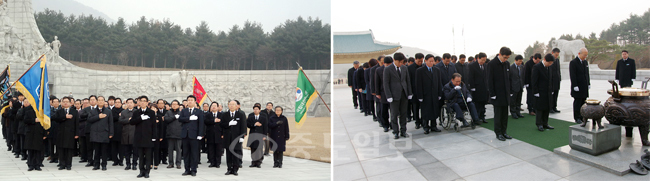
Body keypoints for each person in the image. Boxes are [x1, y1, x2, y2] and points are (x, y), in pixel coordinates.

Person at [383, 53, 413, 139]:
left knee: (403, 114)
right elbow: (386, 83)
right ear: (394, 60)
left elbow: (407, 81)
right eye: (399, 62)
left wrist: (409, 93)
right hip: (394, 95)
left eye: (402, 62)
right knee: (394, 114)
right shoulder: (388, 69)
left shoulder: (404, 68)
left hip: (404, 94)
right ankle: (396, 131)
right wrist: (388, 95)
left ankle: (403, 131)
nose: (400, 64)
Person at [487, 47, 512, 141]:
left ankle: (504, 132)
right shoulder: (492, 64)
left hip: (505, 94)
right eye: (505, 57)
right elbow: (489, 80)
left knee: (505, 114)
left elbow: (509, 79)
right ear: (500, 54)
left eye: (507, 58)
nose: (506, 59)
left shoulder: (507, 64)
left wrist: (510, 91)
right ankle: (498, 133)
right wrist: (492, 94)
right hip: (497, 94)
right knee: (498, 115)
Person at [216, 100, 247, 176]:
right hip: (227, 138)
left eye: (233, 104)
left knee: (236, 154)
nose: (232, 106)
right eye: (230, 104)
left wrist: (242, 136)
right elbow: (221, 124)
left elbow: (243, 126)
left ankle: (235, 169)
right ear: (228, 105)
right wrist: (228, 124)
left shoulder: (240, 114)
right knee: (229, 154)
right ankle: (229, 169)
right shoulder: (225, 115)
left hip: (237, 138)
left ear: (236, 106)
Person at [415, 54, 443, 134]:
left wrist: (439, 93)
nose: (432, 62)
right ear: (426, 61)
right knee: (426, 111)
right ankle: (425, 126)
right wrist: (420, 96)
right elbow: (418, 84)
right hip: (425, 94)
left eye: (433, 61)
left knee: (434, 110)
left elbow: (439, 82)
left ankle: (434, 126)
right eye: (430, 61)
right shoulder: (420, 71)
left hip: (434, 94)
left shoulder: (436, 70)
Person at [130, 96, 157, 178]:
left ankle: (147, 171)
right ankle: (141, 171)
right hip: (139, 137)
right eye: (141, 101)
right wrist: (140, 118)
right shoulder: (136, 112)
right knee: (141, 156)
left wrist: (154, 136)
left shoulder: (151, 112)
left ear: (147, 102)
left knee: (148, 156)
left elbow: (154, 126)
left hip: (148, 137)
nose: (142, 102)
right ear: (139, 102)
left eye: (144, 101)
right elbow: (132, 122)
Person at [179, 95, 204, 177]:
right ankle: (187, 169)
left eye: (191, 100)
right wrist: (189, 118)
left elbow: (201, 124)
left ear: (195, 102)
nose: (190, 101)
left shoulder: (199, 112)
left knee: (194, 153)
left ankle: (193, 170)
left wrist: (200, 134)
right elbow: (180, 119)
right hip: (185, 135)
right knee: (186, 153)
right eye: (188, 100)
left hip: (194, 135)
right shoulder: (184, 111)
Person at [86, 96, 113, 171]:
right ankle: (96, 164)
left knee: (104, 151)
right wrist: (98, 116)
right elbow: (89, 120)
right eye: (99, 100)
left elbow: (110, 123)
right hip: (95, 134)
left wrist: (111, 133)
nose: (100, 101)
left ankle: (104, 165)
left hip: (104, 133)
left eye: (102, 100)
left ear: (104, 101)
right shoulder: (93, 111)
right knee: (96, 151)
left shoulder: (108, 111)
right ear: (97, 102)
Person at [52, 97, 78, 170]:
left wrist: (76, 134)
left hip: (70, 133)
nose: (65, 103)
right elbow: (55, 119)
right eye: (64, 102)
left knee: (69, 150)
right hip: (61, 133)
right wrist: (65, 117)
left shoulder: (74, 112)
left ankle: (68, 164)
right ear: (62, 103)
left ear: (70, 103)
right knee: (61, 150)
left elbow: (77, 123)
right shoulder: (59, 111)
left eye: (67, 101)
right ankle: (62, 164)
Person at [532, 54, 556, 131]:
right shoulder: (537, 67)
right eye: (549, 63)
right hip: (540, 91)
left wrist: (552, 89)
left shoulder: (550, 67)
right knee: (540, 108)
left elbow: (551, 79)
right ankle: (539, 124)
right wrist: (535, 92)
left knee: (547, 107)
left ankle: (545, 123)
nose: (550, 64)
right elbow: (534, 80)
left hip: (548, 91)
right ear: (545, 60)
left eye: (551, 63)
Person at [23, 100, 45, 171]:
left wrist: (45, 134)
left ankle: (38, 165)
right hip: (30, 133)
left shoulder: (42, 112)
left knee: (38, 150)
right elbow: (25, 121)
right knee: (31, 150)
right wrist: (33, 120)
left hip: (39, 133)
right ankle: (31, 165)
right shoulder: (28, 111)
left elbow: (45, 124)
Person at [570, 48, 590, 124]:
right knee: (577, 102)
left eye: (586, 55)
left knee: (583, 102)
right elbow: (573, 75)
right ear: (579, 53)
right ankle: (577, 117)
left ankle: (583, 117)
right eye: (584, 55)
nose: (585, 56)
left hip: (584, 86)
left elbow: (587, 74)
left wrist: (588, 83)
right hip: (577, 86)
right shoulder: (573, 62)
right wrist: (575, 85)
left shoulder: (585, 62)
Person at [467, 53, 489, 124]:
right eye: (482, 60)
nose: (483, 61)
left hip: (484, 87)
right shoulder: (472, 66)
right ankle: (476, 118)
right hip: (476, 88)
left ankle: (482, 117)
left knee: (483, 103)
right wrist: (472, 87)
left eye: (484, 60)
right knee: (477, 104)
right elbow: (470, 77)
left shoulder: (485, 65)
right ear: (478, 58)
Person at [119, 98, 138, 170]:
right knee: (127, 151)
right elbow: (120, 120)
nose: (129, 104)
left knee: (135, 151)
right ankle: (128, 164)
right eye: (128, 103)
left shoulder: (137, 112)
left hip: (135, 134)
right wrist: (128, 120)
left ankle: (134, 164)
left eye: (131, 102)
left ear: (133, 104)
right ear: (126, 104)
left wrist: (132, 120)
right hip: (126, 134)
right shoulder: (123, 112)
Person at [164, 100, 183, 169]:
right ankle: (171, 163)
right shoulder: (168, 112)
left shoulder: (181, 113)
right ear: (171, 105)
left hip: (179, 133)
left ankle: (178, 163)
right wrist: (174, 117)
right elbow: (166, 120)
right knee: (170, 149)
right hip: (170, 133)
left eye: (176, 104)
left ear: (178, 105)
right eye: (173, 104)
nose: (174, 105)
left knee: (178, 149)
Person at [204, 102, 223, 168]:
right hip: (210, 134)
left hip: (219, 134)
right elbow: (205, 121)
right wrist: (213, 121)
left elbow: (223, 124)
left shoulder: (221, 115)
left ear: (218, 107)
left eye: (215, 106)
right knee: (211, 149)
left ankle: (218, 163)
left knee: (218, 149)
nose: (213, 107)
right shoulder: (207, 115)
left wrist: (223, 134)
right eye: (212, 106)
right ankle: (212, 162)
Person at [374, 56, 390, 132]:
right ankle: (385, 125)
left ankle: (393, 124)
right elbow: (377, 82)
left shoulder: (393, 69)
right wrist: (377, 93)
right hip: (383, 93)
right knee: (384, 110)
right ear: (384, 63)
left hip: (392, 93)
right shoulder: (379, 70)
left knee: (393, 111)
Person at [408, 53, 423, 127]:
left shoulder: (424, 67)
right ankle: (417, 122)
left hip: (423, 91)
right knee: (415, 108)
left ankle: (423, 121)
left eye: (422, 61)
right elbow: (409, 81)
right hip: (414, 91)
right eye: (419, 61)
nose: (420, 62)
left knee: (423, 107)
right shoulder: (410, 68)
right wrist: (410, 92)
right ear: (415, 59)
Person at [109, 97, 124, 166]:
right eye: (116, 102)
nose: (117, 104)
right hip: (113, 131)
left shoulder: (124, 111)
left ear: (121, 103)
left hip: (122, 131)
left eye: (118, 102)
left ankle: (121, 160)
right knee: (113, 148)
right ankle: (115, 160)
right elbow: (111, 119)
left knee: (121, 148)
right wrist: (118, 116)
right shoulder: (111, 111)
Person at [550, 48, 562, 113]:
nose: (556, 56)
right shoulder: (550, 60)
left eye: (558, 55)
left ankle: (554, 107)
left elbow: (558, 70)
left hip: (556, 80)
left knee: (556, 94)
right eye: (556, 54)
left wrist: (559, 78)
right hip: (551, 80)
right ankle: (550, 107)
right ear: (552, 53)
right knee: (551, 95)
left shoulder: (557, 60)